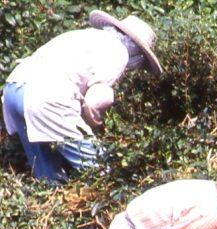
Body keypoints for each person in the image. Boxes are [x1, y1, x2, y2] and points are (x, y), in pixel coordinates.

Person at [2, 10, 162, 183]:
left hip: (14, 88)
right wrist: (93, 126)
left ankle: (48, 198)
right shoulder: (119, 52)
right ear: (136, 49)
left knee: (45, 169)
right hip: (46, 99)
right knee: (100, 169)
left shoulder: (84, 35)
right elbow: (96, 99)